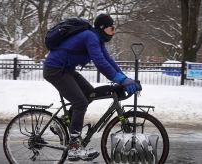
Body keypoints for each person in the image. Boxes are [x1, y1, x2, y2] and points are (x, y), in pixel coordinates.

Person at [43, 13, 141, 161]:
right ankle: (74, 148)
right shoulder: (91, 37)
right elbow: (100, 63)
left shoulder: (97, 39)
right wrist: (120, 79)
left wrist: (124, 78)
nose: (113, 32)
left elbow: (109, 60)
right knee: (80, 102)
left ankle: (63, 123)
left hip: (66, 69)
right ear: (103, 28)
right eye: (112, 29)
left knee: (90, 93)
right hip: (55, 70)